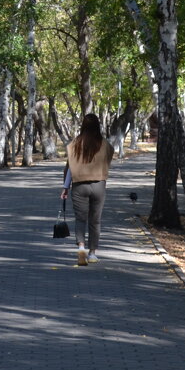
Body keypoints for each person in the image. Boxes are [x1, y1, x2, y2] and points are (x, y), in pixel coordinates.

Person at [60, 114, 114, 266]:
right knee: (95, 220)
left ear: (82, 125)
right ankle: (92, 254)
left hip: (79, 186)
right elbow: (109, 157)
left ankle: (81, 250)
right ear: (98, 125)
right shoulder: (104, 144)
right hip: (98, 185)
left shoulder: (74, 144)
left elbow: (70, 168)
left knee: (80, 219)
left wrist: (65, 187)